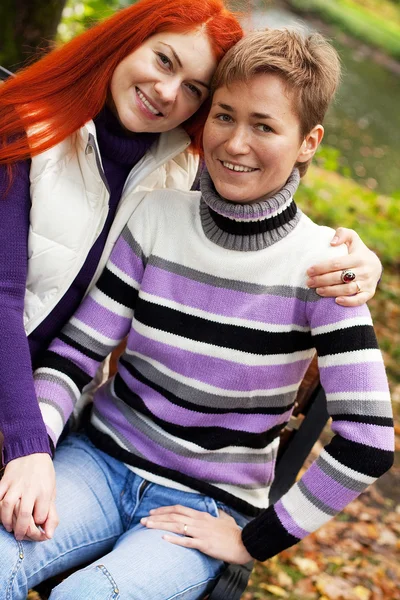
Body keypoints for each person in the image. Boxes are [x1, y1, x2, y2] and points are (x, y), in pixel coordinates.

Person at [0, 26, 393, 599]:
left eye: (264, 126)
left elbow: (368, 443)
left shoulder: (325, 268)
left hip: (204, 505)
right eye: (225, 116)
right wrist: (33, 453)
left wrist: (251, 542)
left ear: (308, 142)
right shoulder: (157, 217)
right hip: (99, 461)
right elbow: (75, 356)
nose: (235, 144)